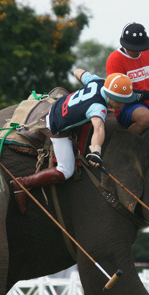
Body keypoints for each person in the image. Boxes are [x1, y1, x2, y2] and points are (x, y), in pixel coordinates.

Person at [11, 69, 136, 214]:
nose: (123, 104)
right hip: (55, 125)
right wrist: (95, 151)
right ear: (110, 96)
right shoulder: (97, 107)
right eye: (122, 101)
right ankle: (22, 183)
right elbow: (99, 128)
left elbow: (77, 71)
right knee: (66, 170)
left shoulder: (98, 81)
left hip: (59, 104)